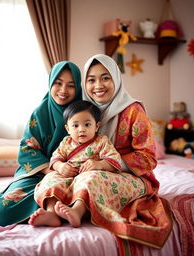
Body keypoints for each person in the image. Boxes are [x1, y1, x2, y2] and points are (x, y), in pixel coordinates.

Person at [0, 61, 82, 226]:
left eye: (71, 85)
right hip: (38, 173)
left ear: (78, 88)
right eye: (58, 83)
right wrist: (55, 168)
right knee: (4, 212)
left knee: (79, 202)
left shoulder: (83, 112)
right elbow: (27, 150)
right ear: (50, 83)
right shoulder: (40, 114)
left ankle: (51, 213)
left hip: (72, 177)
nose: (63, 90)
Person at [77, 54, 172, 249]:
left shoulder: (133, 110)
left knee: (92, 179)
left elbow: (148, 158)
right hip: (93, 171)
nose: (98, 85)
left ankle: (77, 209)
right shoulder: (85, 112)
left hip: (133, 177)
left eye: (105, 77)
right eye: (91, 79)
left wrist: (106, 164)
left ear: (116, 79)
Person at [28, 100, 122, 227]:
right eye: (75, 126)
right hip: (68, 176)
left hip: (88, 175)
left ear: (97, 126)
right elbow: (55, 159)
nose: (81, 130)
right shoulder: (66, 142)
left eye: (87, 124)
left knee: (91, 179)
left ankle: (77, 211)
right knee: (51, 178)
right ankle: (51, 213)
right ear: (67, 128)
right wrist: (60, 166)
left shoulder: (101, 141)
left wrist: (99, 164)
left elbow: (114, 159)